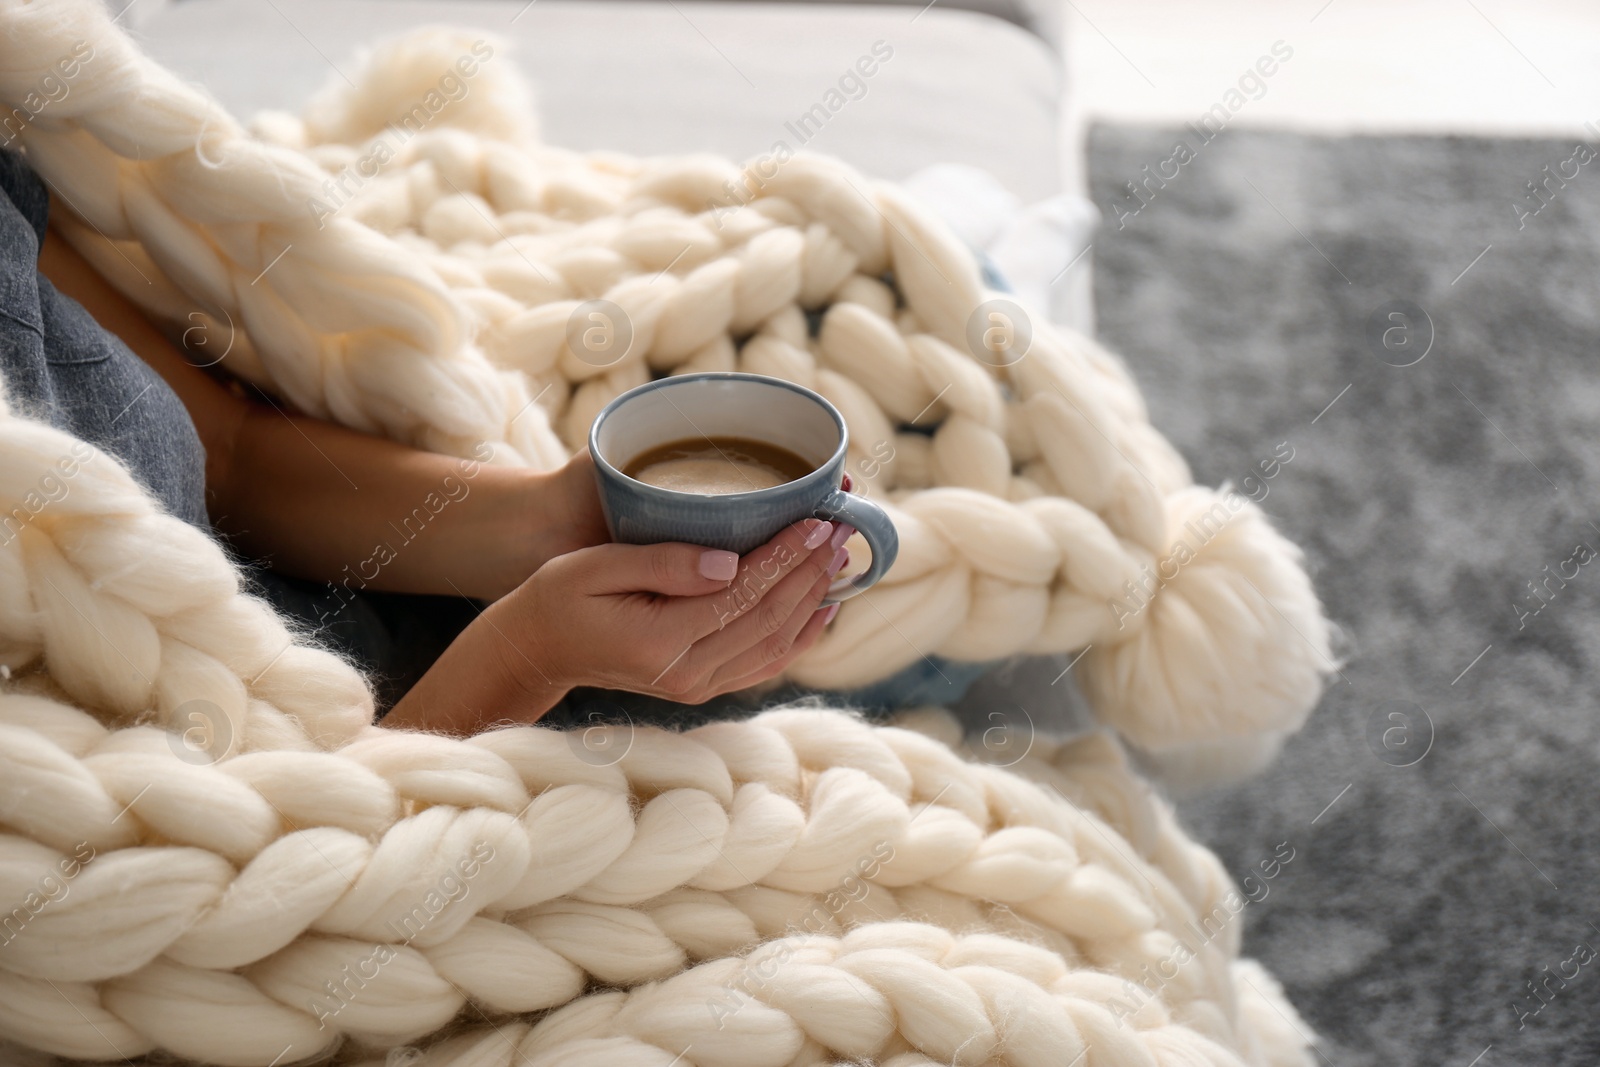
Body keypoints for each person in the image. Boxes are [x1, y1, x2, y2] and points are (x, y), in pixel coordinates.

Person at [2, 146, 849, 736]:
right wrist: (525, 657)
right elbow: (289, 872)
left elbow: (227, 451)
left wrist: (550, 520)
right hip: (403, 759)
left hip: (401, 608)